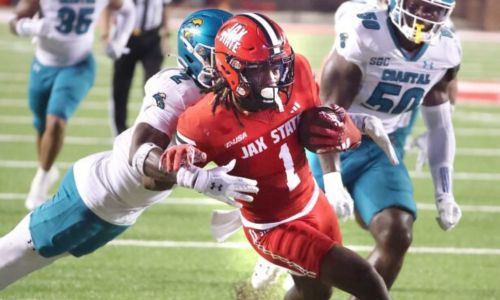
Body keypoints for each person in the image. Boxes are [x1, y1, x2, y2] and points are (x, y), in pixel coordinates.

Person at [0, 9, 253, 290]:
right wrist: (197, 178)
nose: (234, 63)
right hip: (95, 194)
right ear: (197, 55)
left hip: (122, 212)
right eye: (223, 56)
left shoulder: (225, 99)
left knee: (31, 261)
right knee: (14, 256)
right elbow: (141, 154)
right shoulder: (177, 88)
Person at [176, 13, 392, 300]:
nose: (275, 77)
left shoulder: (298, 71)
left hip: (313, 201)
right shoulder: (204, 120)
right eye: (260, 70)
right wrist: (190, 174)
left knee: (315, 294)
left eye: (278, 66)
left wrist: (353, 126)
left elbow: (318, 125)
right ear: (231, 70)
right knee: (364, 278)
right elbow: (167, 175)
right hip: (273, 227)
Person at [307, 0, 463, 293]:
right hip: (327, 141)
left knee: (397, 232)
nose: (423, 16)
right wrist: (332, 179)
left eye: (434, 9)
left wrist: (445, 194)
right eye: (417, 4)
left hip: (380, 149)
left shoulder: (446, 47)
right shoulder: (365, 30)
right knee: (314, 281)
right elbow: (328, 113)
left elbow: (440, 125)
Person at [9, 0, 136, 210]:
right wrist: (29, 27)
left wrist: (118, 40)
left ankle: (39, 182)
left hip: (78, 66)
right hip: (43, 65)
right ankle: (47, 170)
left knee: (56, 121)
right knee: (41, 125)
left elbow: (127, 8)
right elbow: (14, 21)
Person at [102, 0, 172, 136]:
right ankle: (119, 133)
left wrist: (166, 34)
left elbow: (165, 6)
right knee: (120, 89)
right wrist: (105, 34)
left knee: (154, 89)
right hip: (125, 38)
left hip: (152, 38)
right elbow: (108, 5)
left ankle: (149, 130)